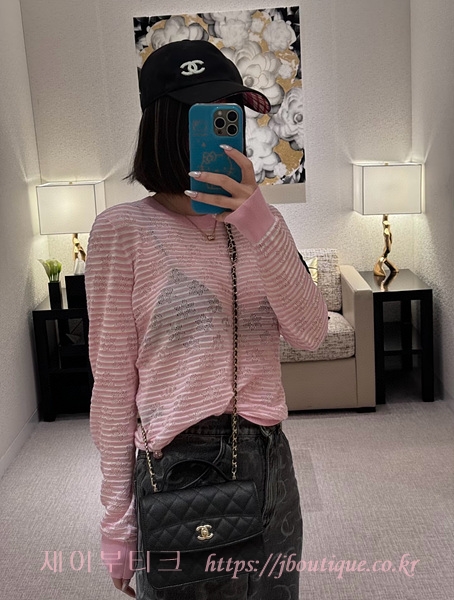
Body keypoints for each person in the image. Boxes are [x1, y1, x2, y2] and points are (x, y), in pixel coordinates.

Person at [85, 39, 328, 600]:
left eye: (232, 114)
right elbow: (113, 386)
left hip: (270, 463)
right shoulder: (121, 231)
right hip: (175, 469)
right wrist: (116, 521)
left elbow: (311, 333)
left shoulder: (262, 226)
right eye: (210, 116)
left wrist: (258, 221)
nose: (228, 132)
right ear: (168, 126)